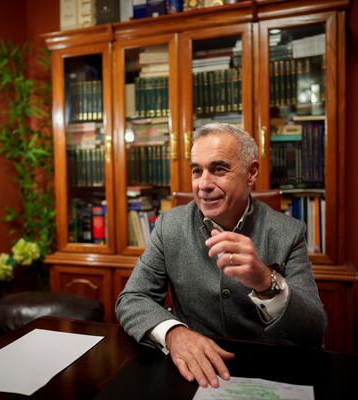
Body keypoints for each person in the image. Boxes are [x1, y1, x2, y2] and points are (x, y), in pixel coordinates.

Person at [115, 123, 326, 389]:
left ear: (251, 173)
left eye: (218, 169)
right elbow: (132, 299)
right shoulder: (169, 226)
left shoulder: (288, 233)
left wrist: (265, 280)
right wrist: (175, 334)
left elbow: (313, 330)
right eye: (196, 171)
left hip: (267, 376)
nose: (203, 185)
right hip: (194, 373)